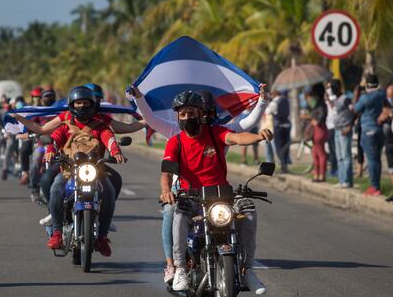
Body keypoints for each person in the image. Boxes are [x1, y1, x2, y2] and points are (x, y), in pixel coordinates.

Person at [128, 85, 269, 287]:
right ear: (178, 117)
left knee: (248, 209)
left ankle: (247, 269)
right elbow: (166, 173)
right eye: (183, 114)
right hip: (191, 197)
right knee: (176, 214)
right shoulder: (175, 142)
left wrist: (259, 137)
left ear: (201, 114)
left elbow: (237, 138)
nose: (187, 117)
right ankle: (180, 269)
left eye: (192, 113)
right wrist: (166, 191)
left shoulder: (216, 133)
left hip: (222, 195)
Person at [45, 86, 126, 256]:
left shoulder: (100, 125)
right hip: (69, 170)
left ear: (92, 104)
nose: (82, 106)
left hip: (96, 169)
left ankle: (103, 236)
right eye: (78, 103)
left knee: (109, 191)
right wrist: (50, 151)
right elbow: (52, 140)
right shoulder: (65, 126)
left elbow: (109, 139)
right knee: (55, 189)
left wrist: (116, 152)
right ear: (72, 106)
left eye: (85, 103)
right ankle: (57, 232)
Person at [354, 75, 385, 195]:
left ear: (367, 85)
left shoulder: (365, 98)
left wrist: (358, 90)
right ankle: (377, 185)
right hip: (380, 130)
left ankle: (375, 187)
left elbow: (355, 109)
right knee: (377, 159)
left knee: (372, 160)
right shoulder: (382, 94)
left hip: (368, 131)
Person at [330, 80, 354, 188]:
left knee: (346, 156)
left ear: (339, 87)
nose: (332, 89)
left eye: (334, 87)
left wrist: (350, 126)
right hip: (337, 130)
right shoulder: (335, 99)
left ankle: (347, 181)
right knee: (339, 157)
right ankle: (341, 180)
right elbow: (336, 110)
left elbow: (353, 111)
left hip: (345, 130)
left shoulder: (346, 99)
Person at [306, 83, 328, 182]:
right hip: (317, 130)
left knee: (320, 153)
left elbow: (321, 116)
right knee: (315, 153)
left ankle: (321, 175)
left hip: (320, 129)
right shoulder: (319, 103)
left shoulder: (321, 104)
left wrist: (316, 121)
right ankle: (317, 174)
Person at [266, 90, 291, 172]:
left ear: (274, 94)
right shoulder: (287, 100)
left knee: (279, 147)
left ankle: (283, 166)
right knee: (286, 146)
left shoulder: (274, 103)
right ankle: (286, 165)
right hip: (287, 125)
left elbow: (267, 112)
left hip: (278, 126)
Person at [378, 83, 393, 201]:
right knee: (391, 168)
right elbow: (379, 120)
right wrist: (381, 118)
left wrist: (390, 114)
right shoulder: (383, 103)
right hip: (389, 141)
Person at [325, 81, 338, 177]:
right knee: (330, 150)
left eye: (329, 87)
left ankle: (335, 170)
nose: (328, 89)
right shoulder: (327, 98)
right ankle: (332, 169)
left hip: (334, 126)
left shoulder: (335, 98)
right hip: (328, 126)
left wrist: (328, 99)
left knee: (334, 150)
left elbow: (334, 108)